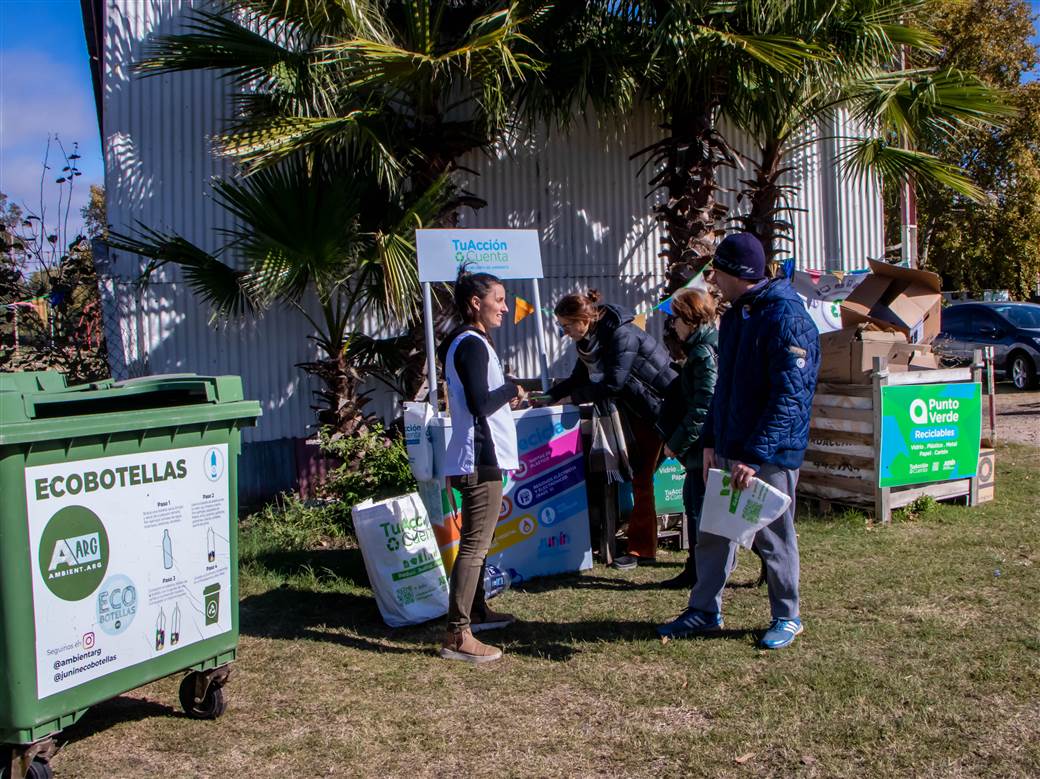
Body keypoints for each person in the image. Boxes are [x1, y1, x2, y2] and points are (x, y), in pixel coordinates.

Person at [657, 232, 819, 649]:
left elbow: (790, 396)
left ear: (737, 273)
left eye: (718, 272)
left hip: (769, 454)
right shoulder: (733, 318)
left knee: (773, 535)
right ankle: (704, 610)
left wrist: (753, 453)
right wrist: (712, 439)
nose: (712, 281)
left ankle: (787, 616)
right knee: (714, 531)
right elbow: (724, 388)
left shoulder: (786, 317)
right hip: (730, 448)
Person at [545, 290, 677, 569]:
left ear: (584, 319)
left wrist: (573, 398)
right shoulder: (589, 343)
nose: (565, 332)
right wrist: (547, 397)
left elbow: (615, 382)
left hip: (657, 410)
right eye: (562, 326)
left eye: (568, 325)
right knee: (638, 478)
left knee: (642, 479)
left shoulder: (620, 334)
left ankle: (642, 550)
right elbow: (577, 379)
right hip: (633, 411)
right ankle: (639, 543)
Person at [436, 269, 526, 664]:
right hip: (479, 457)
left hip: (481, 454)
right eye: (500, 299)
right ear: (477, 303)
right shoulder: (470, 343)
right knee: (474, 546)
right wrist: (513, 388)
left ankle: (476, 611)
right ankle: (458, 633)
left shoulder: (468, 341)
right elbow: (479, 403)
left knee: (479, 543)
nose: (505, 308)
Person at [659, 288, 718, 590]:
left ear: (690, 320)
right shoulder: (699, 349)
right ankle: (694, 569)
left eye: (676, 319)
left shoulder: (702, 354)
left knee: (698, 508)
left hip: (702, 445)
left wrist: (676, 442)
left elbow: (702, 407)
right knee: (692, 504)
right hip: (698, 445)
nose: (673, 326)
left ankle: (700, 571)